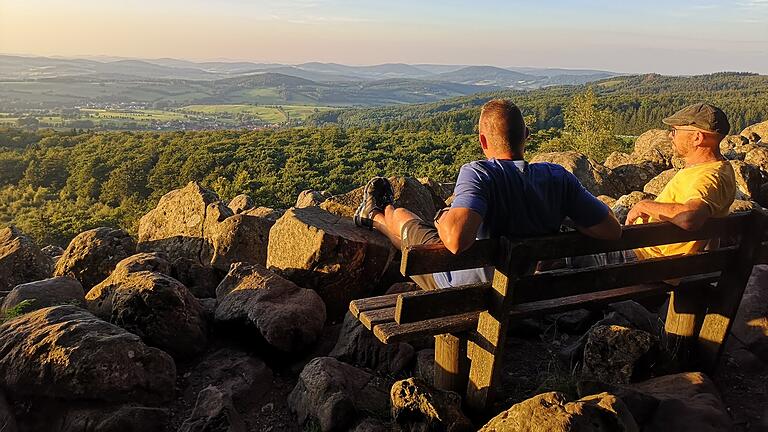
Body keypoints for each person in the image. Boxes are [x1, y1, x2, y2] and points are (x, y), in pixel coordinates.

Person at [353, 99, 621, 290]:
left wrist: (441, 218)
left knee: (409, 223)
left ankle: (377, 213)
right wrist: (565, 216)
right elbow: (612, 230)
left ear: (483, 141)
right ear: (526, 136)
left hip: (467, 291)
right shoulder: (558, 177)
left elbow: (456, 242)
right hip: (525, 291)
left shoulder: (479, 173)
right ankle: (374, 215)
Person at [626, 103, 736, 259]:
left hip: (643, 258)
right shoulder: (721, 169)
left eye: (675, 131)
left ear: (697, 137)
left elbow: (690, 218)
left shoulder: (709, 177)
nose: (670, 136)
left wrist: (643, 205)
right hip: (652, 258)